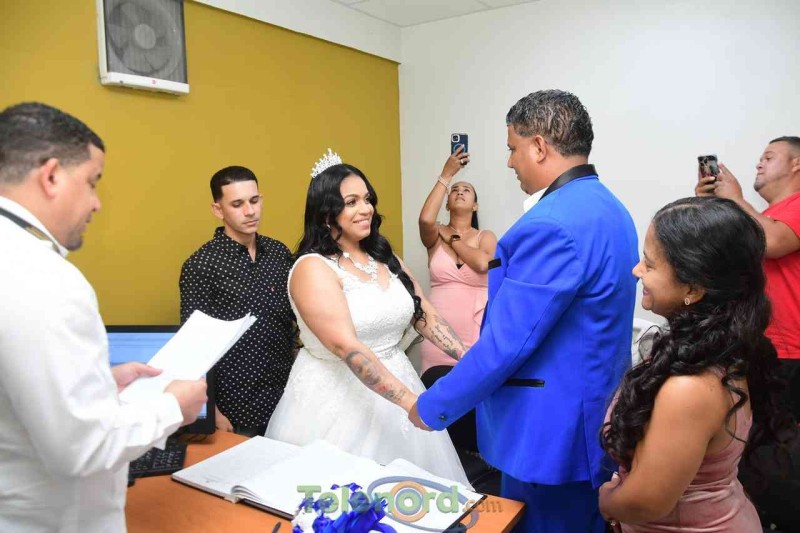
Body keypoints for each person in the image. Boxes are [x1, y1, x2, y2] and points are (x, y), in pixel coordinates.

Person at [410, 90, 639, 532]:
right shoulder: (610, 208)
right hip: (597, 412)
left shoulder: (551, 224)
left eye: (513, 148)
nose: (510, 162)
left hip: (551, 432)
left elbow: (508, 343)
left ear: (538, 146)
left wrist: (433, 404)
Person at [0, 102, 207, 532]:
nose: (96, 203)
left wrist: (100, 382)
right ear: (51, 176)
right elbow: (82, 447)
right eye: (92, 182)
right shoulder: (44, 278)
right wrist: (174, 406)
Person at [264, 149, 470, 485]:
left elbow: (424, 314)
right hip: (337, 398)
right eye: (351, 202)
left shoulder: (385, 257)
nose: (366, 209)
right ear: (326, 213)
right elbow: (346, 347)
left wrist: (471, 360)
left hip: (399, 378)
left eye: (367, 199)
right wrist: (411, 404)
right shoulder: (312, 268)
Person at [599, 196, 795, 532]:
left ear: (693, 288)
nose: (637, 270)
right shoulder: (713, 349)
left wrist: (608, 501)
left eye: (649, 264)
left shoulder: (691, 386)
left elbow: (647, 501)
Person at [180, 166, 297, 437]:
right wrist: (212, 410)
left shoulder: (278, 253)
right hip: (236, 406)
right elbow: (192, 346)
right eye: (237, 204)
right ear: (218, 209)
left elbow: (294, 320)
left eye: (254, 201)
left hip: (287, 397)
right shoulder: (201, 265)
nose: (250, 211)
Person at [695, 137, 800, 421]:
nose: (759, 164)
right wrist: (710, 206)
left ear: (797, 164)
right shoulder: (763, 217)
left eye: (769, 157)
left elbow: (774, 241)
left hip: (791, 352)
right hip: (759, 343)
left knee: (783, 439)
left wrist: (736, 199)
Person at [417, 148, 497, 451]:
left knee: (474, 408)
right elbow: (425, 218)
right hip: (437, 337)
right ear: (447, 202)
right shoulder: (432, 236)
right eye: (455, 190)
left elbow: (482, 264)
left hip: (475, 335)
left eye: (467, 190)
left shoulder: (485, 236)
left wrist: (451, 236)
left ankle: (476, 467)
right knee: (438, 411)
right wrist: (446, 175)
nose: (460, 192)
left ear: (475, 205)